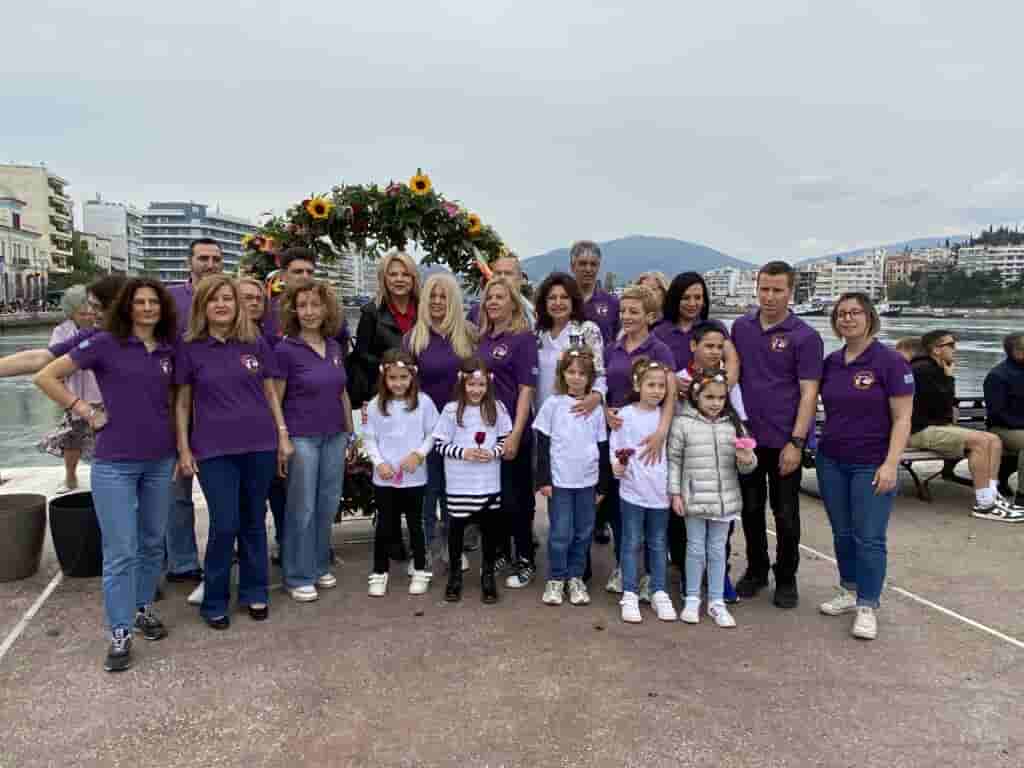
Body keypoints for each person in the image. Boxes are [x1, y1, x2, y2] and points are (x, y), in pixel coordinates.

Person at [34, 278, 178, 672]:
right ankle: (119, 630)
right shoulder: (104, 343)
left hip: (160, 459)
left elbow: (177, 399)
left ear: (162, 308)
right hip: (115, 462)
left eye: (153, 302)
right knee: (120, 550)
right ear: (127, 307)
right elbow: (45, 376)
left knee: (152, 542)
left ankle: (142, 608)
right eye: (139, 302)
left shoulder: (169, 348)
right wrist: (85, 410)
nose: (147, 308)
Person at [175, 275, 289, 629]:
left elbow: (270, 394)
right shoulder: (189, 347)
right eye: (214, 299)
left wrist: (282, 435)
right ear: (202, 306)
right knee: (224, 524)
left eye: (227, 298)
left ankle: (255, 591)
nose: (221, 305)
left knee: (254, 521)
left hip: (260, 446)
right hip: (214, 451)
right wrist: (183, 448)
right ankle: (215, 599)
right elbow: (182, 404)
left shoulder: (255, 342)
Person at [816, 293, 915, 641]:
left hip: (871, 462)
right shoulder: (831, 363)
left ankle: (868, 604)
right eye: (841, 314)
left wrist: (891, 464)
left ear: (870, 317)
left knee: (869, 536)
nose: (847, 318)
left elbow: (903, 419)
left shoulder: (891, 362)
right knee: (842, 532)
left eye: (855, 312)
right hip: (831, 459)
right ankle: (848, 589)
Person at [731, 261, 824, 609]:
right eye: (764, 289)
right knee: (751, 509)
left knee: (785, 513)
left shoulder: (806, 337)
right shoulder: (741, 328)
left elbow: (809, 393)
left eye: (777, 290)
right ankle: (756, 570)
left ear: (790, 292)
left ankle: (786, 577)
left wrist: (797, 442)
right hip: (748, 439)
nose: (769, 297)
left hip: (785, 439)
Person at [274, 279, 354, 603]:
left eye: (315, 305)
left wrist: (350, 433)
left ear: (326, 309)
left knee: (327, 504)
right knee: (302, 507)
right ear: (293, 310)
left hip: (334, 434)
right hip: (302, 437)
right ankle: (297, 575)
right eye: (302, 305)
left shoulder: (333, 347)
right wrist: (282, 438)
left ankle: (319, 564)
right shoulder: (285, 350)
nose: (309, 311)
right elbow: (275, 399)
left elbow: (342, 392)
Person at [601, 284, 676, 595]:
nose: (627, 316)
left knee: (651, 505)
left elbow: (670, 395)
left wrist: (662, 432)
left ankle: (649, 573)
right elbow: (604, 389)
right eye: (623, 311)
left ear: (650, 316)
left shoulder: (660, 350)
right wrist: (605, 411)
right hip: (620, 435)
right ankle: (624, 566)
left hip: (649, 437)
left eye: (634, 311)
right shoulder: (612, 349)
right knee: (621, 505)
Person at [669, 368, 757, 628]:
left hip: (724, 500)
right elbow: (674, 461)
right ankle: (692, 598)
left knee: (718, 551)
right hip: (694, 499)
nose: (715, 403)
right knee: (695, 549)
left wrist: (747, 460)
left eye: (720, 398)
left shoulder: (734, 425)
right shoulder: (682, 423)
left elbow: (748, 465)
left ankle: (716, 602)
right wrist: (675, 493)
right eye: (709, 397)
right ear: (696, 396)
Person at [404, 272, 479, 568]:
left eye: (443, 296)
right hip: (423, 429)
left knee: (453, 491)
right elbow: (403, 388)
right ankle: (422, 550)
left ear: (454, 301)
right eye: (432, 296)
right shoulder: (413, 338)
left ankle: (452, 547)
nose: (437, 301)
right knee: (427, 491)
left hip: (459, 427)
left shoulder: (468, 336)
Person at [908, 330, 1021, 521]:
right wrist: (949, 378)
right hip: (918, 430)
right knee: (980, 442)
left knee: (993, 440)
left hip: (936, 426)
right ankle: (984, 504)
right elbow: (941, 406)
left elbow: (946, 408)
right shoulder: (922, 370)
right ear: (936, 349)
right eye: (951, 345)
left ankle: (992, 496)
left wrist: (947, 379)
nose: (955, 349)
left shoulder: (936, 368)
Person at [165, 238, 226, 588]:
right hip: (174, 401)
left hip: (218, 405)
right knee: (177, 492)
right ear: (190, 261)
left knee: (224, 491)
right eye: (203, 258)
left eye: (216, 258)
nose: (210, 264)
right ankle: (183, 561)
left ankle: (226, 549)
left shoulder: (230, 295)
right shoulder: (171, 299)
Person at [672, 321, 749, 601]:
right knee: (684, 527)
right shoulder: (678, 379)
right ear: (694, 346)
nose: (715, 352)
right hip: (688, 464)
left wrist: (743, 450)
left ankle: (720, 577)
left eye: (719, 347)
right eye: (709, 346)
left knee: (721, 529)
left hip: (720, 467)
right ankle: (687, 575)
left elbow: (738, 420)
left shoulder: (726, 383)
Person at [432, 358, 513, 603]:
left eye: (481, 385)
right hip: (460, 484)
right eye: (471, 385)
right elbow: (439, 444)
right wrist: (464, 453)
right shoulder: (450, 410)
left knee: (489, 532)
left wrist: (493, 452)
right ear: (462, 383)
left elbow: (505, 439)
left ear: (488, 384)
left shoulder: (497, 408)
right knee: (456, 531)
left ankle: (487, 576)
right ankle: (455, 576)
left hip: (488, 483)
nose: (476, 390)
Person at [476, 276, 540, 588]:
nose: (493, 302)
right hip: (486, 431)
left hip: (514, 430)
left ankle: (525, 558)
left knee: (518, 499)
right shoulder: (482, 340)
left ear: (513, 303)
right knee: (494, 497)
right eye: (489, 297)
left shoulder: (523, 339)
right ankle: (501, 551)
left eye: (500, 297)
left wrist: (515, 433)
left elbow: (527, 389)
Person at [535, 347, 609, 607]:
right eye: (571, 372)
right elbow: (542, 444)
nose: (576, 377)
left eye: (582, 373)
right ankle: (556, 578)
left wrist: (602, 485)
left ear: (590, 378)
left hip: (587, 482)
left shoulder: (595, 409)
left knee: (583, 532)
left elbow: (602, 446)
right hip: (560, 482)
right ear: (562, 374)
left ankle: (575, 578)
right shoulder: (553, 405)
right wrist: (543, 480)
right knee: (560, 532)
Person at [362, 350, 439, 596]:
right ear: (384, 378)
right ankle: (379, 572)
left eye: (403, 377)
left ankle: (420, 569)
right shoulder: (375, 405)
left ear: (412, 376)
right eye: (392, 378)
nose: (398, 383)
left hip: (415, 478)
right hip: (385, 479)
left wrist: (419, 454)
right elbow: (369, 438)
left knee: (416, 524)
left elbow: (433, 433)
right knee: (385, 525)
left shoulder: (424, 403)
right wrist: (379, 463)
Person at [610, 357, 676, 623]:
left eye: (661, 386)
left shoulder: (667, 418)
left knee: (658, 543)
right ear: (638, 385)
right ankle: (629, 593)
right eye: (651, 385)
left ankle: (659, 591)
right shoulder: (625, 415)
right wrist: (617, 465)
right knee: (631, 542)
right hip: (633, 491)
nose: (657, 391)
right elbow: (616, 446)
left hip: (660, 493)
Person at [39, 285, 102, 493]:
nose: (88, 316)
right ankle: (70, 476)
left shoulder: (102, 327)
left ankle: (103, 478)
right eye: (82, 313)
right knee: (72, 438)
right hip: (75, 393)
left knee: (103, 439)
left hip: (102, 392)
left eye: (90, 312)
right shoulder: (62, 331)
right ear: (71, 313)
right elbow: (53, 359)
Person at [0, 274, 126, 377]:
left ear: (116, 306)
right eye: (89, 307)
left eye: (96, 306)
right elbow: (40, 358)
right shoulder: (89, 336)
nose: (91, 312)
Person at [348, 249, 420, 409]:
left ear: (413, 278)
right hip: (383, 394)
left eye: (405, 274)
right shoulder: (371, 312)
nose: (399, 279)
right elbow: (362, 356)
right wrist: (393, 368)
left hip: (420, 393)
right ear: (384, 278)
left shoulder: (424, 311)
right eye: (393, 274)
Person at [533, 272, 606, 410]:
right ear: (544, 302)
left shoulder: (587, 330)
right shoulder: (537, 334)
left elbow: (600, 373)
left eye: (564, 297)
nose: (558, 303)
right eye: (552, 298)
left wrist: (596, 396)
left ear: (573, 301)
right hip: (541, 414)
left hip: (575, 412)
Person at [656, 272, 740, 393]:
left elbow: (732, 361)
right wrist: (668, 380)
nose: (692, 303)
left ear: (704, 300)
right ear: (675, 299)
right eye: (685, 298)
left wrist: (721, 388)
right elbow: (649, 367)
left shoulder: (715, 326)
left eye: (698, 297)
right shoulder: (659, 331)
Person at [985, 332, 1024, 510]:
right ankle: (1022, 497)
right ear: (1016, 352)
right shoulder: (998, 376)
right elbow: (997, 413)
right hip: (1003, 429)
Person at [467, 251, 536, 327]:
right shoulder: (477, 312)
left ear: (520, 279)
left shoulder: (533, 311)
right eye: (498, 273)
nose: (502, 277)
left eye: (508, 273)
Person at [569, 240, 619, 344]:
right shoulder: (562, 302)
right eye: (582, 264)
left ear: (598, 267)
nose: (588, 269)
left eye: (593, 264)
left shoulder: (612, 303)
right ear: (572, 267)